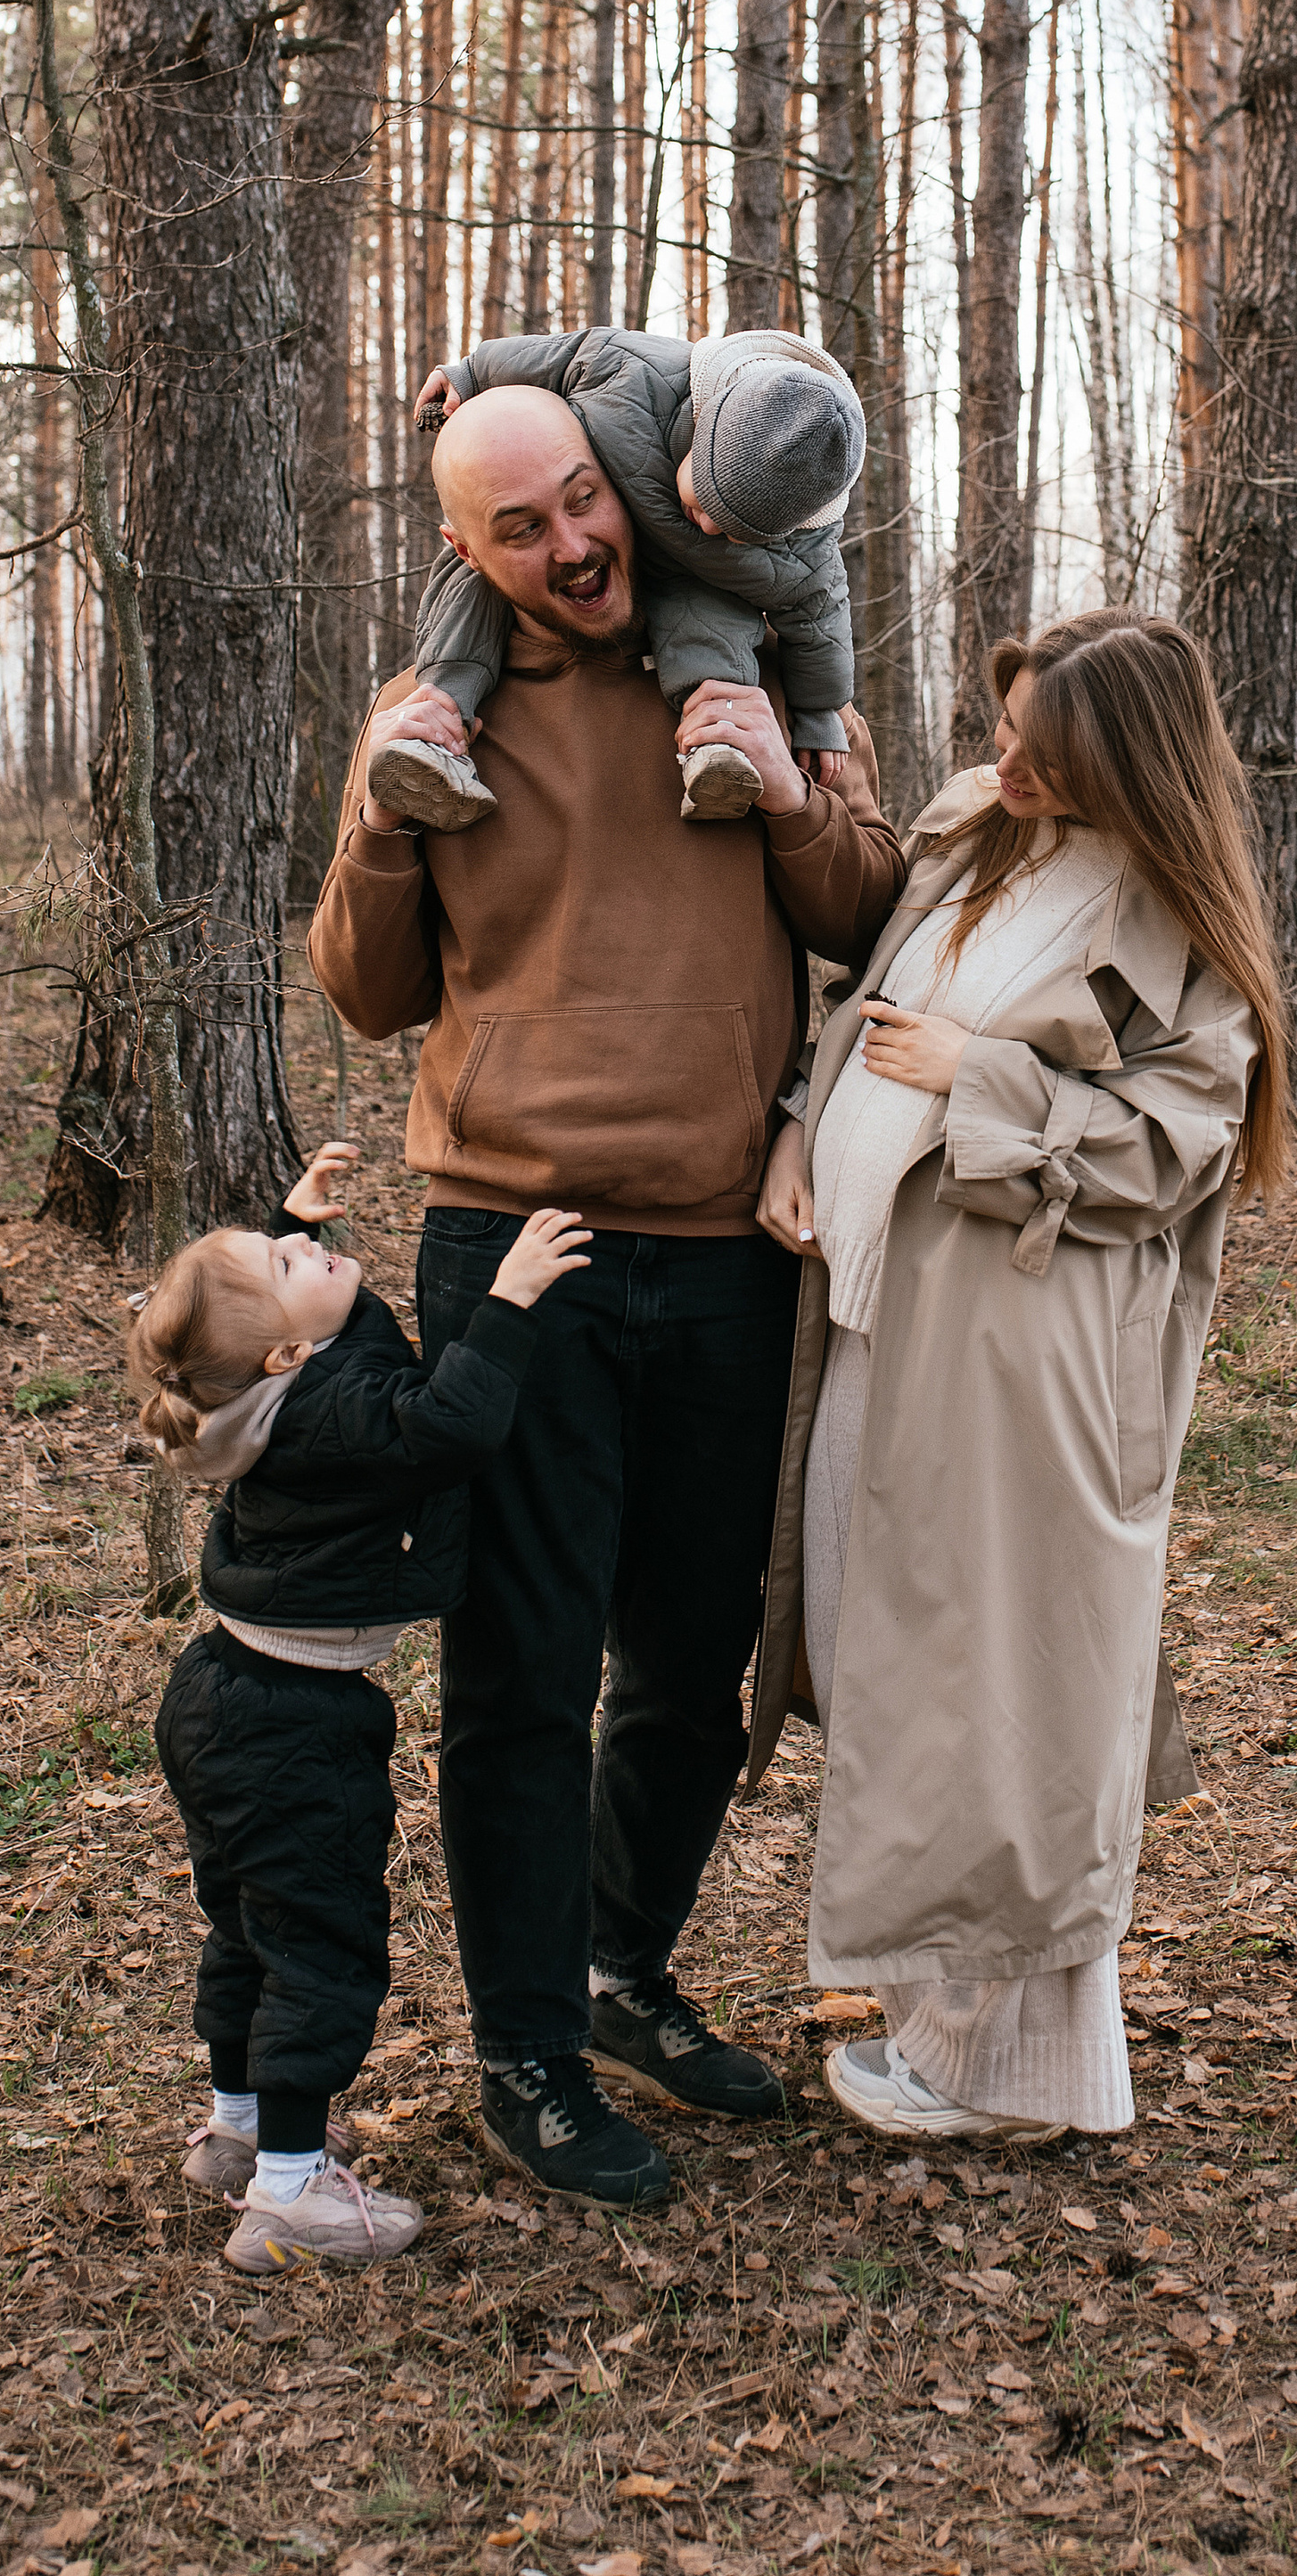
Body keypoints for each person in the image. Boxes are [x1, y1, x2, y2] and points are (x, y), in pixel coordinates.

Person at [309, 383, 906, 2207]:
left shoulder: (753, 658)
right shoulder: (438, 715)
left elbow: (863, 912)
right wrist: (388, 815)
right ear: (462, 549)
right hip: (511, 1247)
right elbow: (362, 986)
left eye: (584, 499)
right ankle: (523, 2051)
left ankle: (619, 1966)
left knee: (691, 1650)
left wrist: (786, 770)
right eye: (519, 528)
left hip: (726, 1244)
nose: (569, 545)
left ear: (622, 488)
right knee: (519, 1665)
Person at [746, 609, 1290, 2144]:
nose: (1006, 761)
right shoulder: (980, 838)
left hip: (1021, 1357)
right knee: (880, 1656)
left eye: (1041, 749)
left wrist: (978, 1079)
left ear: (1122, 759)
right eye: (1005, 732)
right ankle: (944, 2001)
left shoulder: (1173, 918)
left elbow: (1175, 1146)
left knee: (1006, 1691)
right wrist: (806, 1122)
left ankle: (1017, 2065)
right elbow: (870, 1001)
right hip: (878, 1319)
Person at [131, 1133, 592, 2270]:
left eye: (282, 1238)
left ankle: (238, 2133)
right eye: (285, 1257)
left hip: (224, 1697)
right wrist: (508, 1299)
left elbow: (325, 1349)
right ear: (285, 1347)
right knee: (321, 1949)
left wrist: (311, 1227)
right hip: (291, 1723)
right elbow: (445, 1423)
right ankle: (291, 2195)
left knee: (250, 1927)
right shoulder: (320, 1410)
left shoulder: (259, 1399)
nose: (296, 1244)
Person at [377, 322, 863, 829]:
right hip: (619, 540)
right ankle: (438, 724)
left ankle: (718, 747)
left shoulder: (803, 558)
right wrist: (469, 374)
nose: (709, 525)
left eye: (738, 528)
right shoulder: (636, 376)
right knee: (470, 589)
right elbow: (559, 355)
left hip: (692, 584)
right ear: (707, 426)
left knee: (711, 619)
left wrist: (819, 716)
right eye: (707, 495)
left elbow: (822, 622)